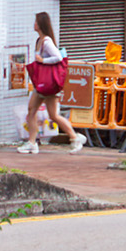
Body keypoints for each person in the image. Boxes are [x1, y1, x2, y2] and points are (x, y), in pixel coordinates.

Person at [22, 10, 82, 153]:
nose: (34, 24)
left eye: (36, 21)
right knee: (32, 110)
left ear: (41, 24)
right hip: (43, 85)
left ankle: (74, 137)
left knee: (52, 115)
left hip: (47, 85)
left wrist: (43, 60)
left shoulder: (47, 42)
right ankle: (32, 142)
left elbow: (58, 58)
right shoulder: (40, 41)